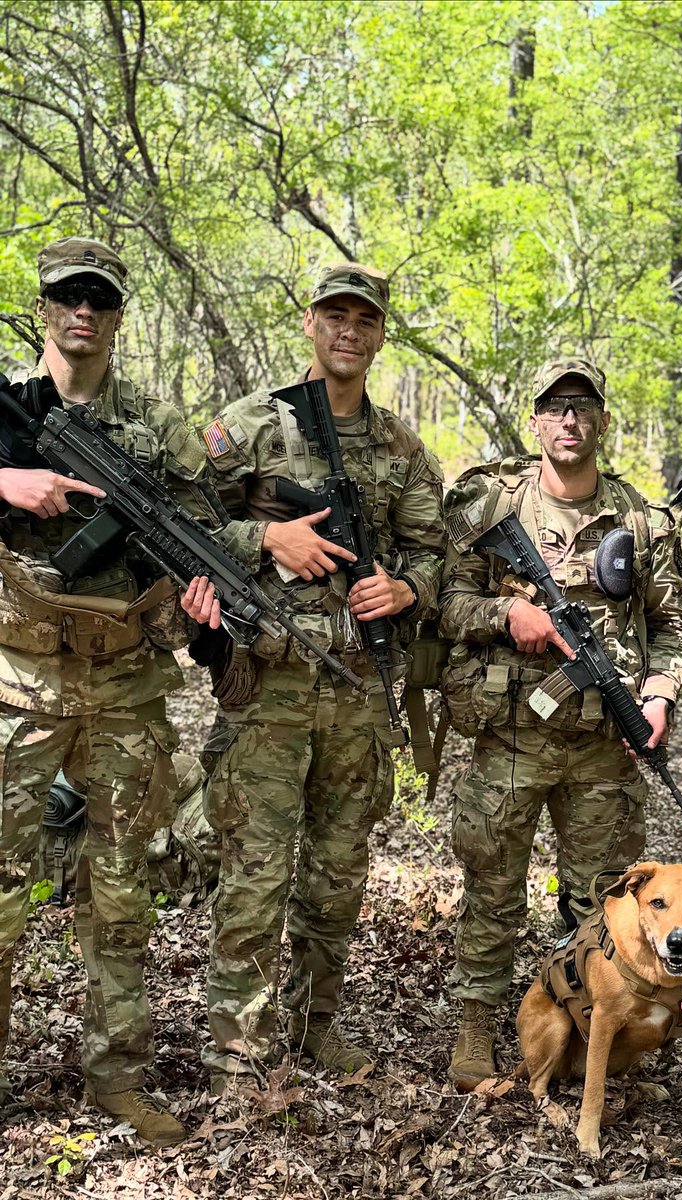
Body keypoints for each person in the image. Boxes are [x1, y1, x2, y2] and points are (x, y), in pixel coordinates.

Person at [182, 262, 445, 1096]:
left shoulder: (402, 445)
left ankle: (312, 1026)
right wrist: (267, 544)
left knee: (338, 873)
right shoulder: (251, 426)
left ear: (378, 334)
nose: (349, 331)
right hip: (268, 688)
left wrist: (407, 588)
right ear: (310, 323)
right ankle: (238, 1052)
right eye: (335, 315)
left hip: (361, 692)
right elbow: (174, 517)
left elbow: (439, 553)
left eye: (364, 320)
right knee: (256, 871)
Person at [0, 237, 217, 1145]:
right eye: (66, 296)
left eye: (98, 297)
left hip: (126, 688)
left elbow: (201, 530)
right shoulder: (7, 408)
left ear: (119, 313)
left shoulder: (157, 426)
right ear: (44, 306)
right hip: (17, 686)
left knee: (122, 892)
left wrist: (203, 597)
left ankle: (116, 1079)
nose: (81, 311)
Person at [438, 357, 682, 1091]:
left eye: (583, 407)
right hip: (510, 738)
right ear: (537, 421)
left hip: (602, 751)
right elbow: (446, 604)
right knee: (493, 886)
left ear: (603, 421)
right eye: (556, 407)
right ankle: (478, 1023)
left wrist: (659, 696)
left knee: (603, 898)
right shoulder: (495, 504)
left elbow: (672, 626)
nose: (570, 420)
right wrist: (505, 613)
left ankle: (590, 1028)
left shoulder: (641, 520)